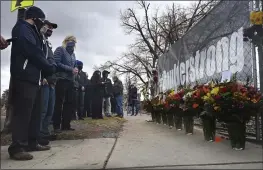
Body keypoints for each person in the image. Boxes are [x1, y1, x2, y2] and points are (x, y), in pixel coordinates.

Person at [8, 6, 56, 160]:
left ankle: (32, 142)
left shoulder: (34, 32)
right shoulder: (23, 29)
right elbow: (33, 52)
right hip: (24, 76)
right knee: (23, 113)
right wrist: (49, 68)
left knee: (34, 112)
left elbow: (41, 52)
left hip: (35, 78)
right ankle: (17, 147)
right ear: (34, 18)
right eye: (41, 21)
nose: (43, 24)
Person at [53, 35, 78, 133]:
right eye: (71, 40)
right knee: (59, 103)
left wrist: (75, 69)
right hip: (61, 79)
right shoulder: (60, 49)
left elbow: (74, 64)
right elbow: (56, 63)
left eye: (74, 41)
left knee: (69, 102)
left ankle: (66, 124)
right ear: (66, 41)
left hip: (70, 80)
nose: (73, 43)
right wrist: (70, 69)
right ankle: (56, 125)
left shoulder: (73, 54)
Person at [39, 20, 58, 145]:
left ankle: (45, 133)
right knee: (42, 110)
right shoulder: (39, 40)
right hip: (44, 80)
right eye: (48, 27)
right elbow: (39, 59)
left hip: (52, 81)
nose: (50, 29)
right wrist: (42, 77)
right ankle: (38, 134)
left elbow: (52, 61)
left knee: (50, 110)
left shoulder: (48, 43)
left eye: (52, 28)